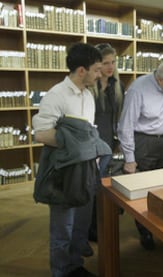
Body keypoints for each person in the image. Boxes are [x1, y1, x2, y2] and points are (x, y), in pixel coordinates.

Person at [32, 42, 104, 277]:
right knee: (63, 229)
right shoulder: (56, 95)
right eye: (96, 69)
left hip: (86, 170)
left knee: (80, 226)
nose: (99, 74)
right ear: (81, 70)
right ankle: (60, 272)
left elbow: (88, 130)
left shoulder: (89, 95)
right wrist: (80, 146)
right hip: (64, 172)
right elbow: (41, 133)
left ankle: (74, 266)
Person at [117, 61, 163, 250]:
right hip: (144, 142)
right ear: (160, 80)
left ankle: (159, 226)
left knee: (162, 188)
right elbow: (126, 125)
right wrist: (129, 158)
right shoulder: (138, 89)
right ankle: (144, 229)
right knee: (144, 190)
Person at [87, 43, 125, 244]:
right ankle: (90, 228)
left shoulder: (117, 87)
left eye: (113, 62)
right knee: (92, 188)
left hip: (109, 144)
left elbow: (118, 118)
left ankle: (99, 225)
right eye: (105, 63)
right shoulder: (89, 88)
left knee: (103, 187)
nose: (110, 67)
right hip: (91, 146)